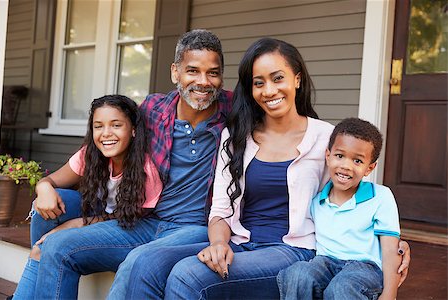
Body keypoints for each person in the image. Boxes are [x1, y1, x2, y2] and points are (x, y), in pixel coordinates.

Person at [122, 38, 410, 299]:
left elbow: (355, 195)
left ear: (297, 79)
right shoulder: (236, 136)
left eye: (277, 78)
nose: (269, 90)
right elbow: (221, 210)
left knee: (188, 276)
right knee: (147, 263)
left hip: (294, 252)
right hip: (240, 243)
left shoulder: (326, 138)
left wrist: (394, 245)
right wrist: (220, 243)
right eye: (258, 82)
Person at [17, 29, 232, 299]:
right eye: (192, 71)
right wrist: (45, 185)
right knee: (57, 246)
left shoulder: (235, 112)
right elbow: (106, 141)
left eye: (213, 72)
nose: (203, 81)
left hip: (194, 229)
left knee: (138, 261)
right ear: (175, 72)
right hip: (144, 222)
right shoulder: (154, 110)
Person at [12, 94, 163, 299]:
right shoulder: (90, 155)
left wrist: (76, 224)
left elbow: (131, 219)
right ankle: (40, 261)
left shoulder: (146, 169)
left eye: (116, 125)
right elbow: (49, 181)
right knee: (46, 212)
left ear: (133, 129)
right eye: (98, 126)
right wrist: (44, 189)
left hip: (129, 228)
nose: (106, 133)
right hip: (97, 216)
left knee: (50, 247)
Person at [277, 117, 401, 300]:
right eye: (340, 156)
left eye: (357, 161)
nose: (345, 166)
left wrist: (390, 294)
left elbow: (391, 250)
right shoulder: (316, 201)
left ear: (370, 168)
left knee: (342, 286)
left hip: (364, 268)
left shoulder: (380, 197)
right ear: (328, 156)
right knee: (298, 274)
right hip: (325, 263)